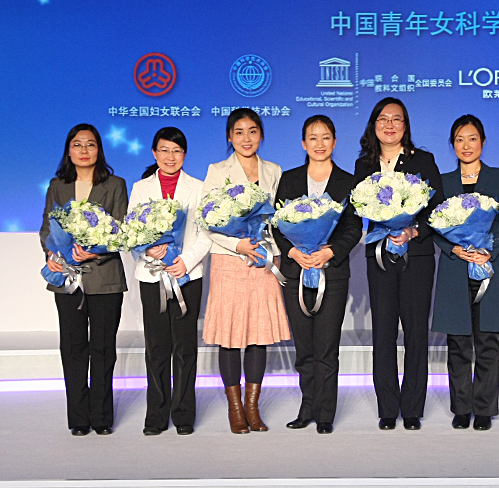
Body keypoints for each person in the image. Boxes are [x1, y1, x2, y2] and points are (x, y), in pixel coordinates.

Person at [353, 97, 444, 431]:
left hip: (416, 256)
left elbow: (437, 209)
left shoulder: (423, 160)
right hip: (380, 255)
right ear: (373, 125)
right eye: (383, 118)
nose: (389, 125)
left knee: (416, 333)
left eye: (397, 119)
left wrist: (413, 230)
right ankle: (388, 408)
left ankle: (413, 408)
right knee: (383, 332)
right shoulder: (364, 165)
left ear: (405, 126)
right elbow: (359, 208)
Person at [201, 108, 290, 434]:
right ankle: (235, 408)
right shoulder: (217, 171)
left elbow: (277, 219)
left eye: (252, 131)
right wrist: (237, 245)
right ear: (229, 136)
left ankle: (253, 407)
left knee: (258, 335)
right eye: (239, 132)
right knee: (230, 336)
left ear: (261, 134)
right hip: (229, 260)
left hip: (262, 260)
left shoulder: (273, 170)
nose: (246, 138)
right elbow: (206, 220)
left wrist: (275, 254)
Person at [272, 115, 362, 434]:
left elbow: (353, 227)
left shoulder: (347, 182)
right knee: (304, 348)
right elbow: (277, 225)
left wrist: (330, 251)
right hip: (296, 272)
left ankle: (325, 412)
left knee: (326, 346)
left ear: (334, 142)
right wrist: (292, 252)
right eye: (313, 137)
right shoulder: (289, 179)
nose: (319, 143)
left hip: (331, 273)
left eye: (325, 137)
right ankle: (307, 406)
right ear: (303, 143)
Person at [431, 115, 499, 431]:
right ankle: (461, 407)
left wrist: (488, 249)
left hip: (488, 266)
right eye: (459, 139)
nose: (466, 145)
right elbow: (434, 225)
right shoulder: (443, 182)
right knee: (457, 342)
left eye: (472, 138)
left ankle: (483, 407)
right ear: (452, 144)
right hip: (455, 268)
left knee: (487, 341)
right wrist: (453, 248)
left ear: (482, 141)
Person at [40, 124, 128, 436]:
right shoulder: (57, 185)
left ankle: (101, 416)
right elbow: (47, 228)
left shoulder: (115, 184)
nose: (84, 150)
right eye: (77, 145)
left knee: (103, 348)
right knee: (73, 347)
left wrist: (94, 251)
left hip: (105, 279)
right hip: (67, 278)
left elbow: (121, 230)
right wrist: (54, 254)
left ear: (98, 150)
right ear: (69, 150)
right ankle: (78, 417)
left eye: (90, 144)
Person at [129, 127, 211, 436]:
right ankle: (156, 414)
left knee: (185, 347)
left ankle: (184, 413)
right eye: (164, 150)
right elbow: (130, 230)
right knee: (156, 347)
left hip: (187, 275)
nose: (170, 156)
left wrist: (186, 261)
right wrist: (147, 250)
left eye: (176, 151)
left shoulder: (198, 187)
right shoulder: (141, 188)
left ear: (184, 155)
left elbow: (207, 232)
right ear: (154, 153)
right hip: (152, 275)